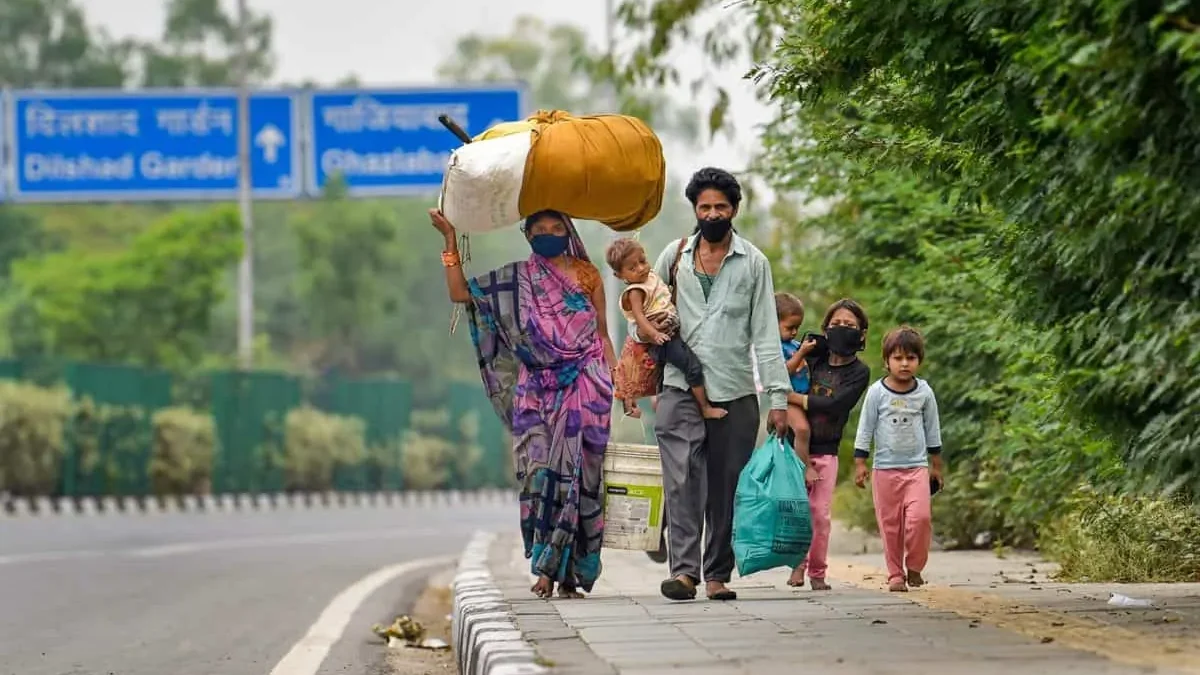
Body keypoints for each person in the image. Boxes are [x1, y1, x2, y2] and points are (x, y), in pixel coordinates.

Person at [429, 207, 616, 600]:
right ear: (527, 236)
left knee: (579, 477)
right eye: (540, 229)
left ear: (568, 232)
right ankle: (548, 561)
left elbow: (601, 334)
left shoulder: (588, 275)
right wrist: (449, 240)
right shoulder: (514, 281)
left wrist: (620, 380)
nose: (548, 234)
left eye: (556, 228)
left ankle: (561, 574)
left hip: (585, 386)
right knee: (539, 475)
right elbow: (460, 293)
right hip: (536, 392)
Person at [633, 167, 791, 602]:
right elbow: (641, 314)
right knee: (682, 480)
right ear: (695, 210)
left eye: (721, 206)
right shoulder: (674, 256)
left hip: (736, 390)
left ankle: (717, 573)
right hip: (678, 386)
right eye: (705, 207)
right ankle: (684, 573)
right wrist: (651, 341)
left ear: (734, 210)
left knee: (726, 487)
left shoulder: (754, 262)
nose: (713, 214)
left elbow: (766, 334)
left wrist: (778, 398)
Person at [787, 299, 871, 590]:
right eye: (836, 324)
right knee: (796, 511)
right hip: (794, 448)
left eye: (849, 325)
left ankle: (817, 572)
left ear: (862, 333)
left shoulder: (859, 372)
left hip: (826, 451)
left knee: (820, 514)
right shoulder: (813, 358)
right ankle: (797, 565)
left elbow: (836, 404)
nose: (842, 329)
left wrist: (793, 398)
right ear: (825, 329)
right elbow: (786, 372)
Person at [853, 325, 943, 592]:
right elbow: (865, 427)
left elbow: (933, 429)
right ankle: (895, 574)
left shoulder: (924, 392)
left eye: (911, 358)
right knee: (890, 526)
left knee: (920, 519)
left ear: (919, 361)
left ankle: (914, 566)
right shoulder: (877, 392)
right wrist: (860, 462)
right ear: (886, 361)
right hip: (884, 469)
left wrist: (936, 466)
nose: (904, 364)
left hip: (916, 468)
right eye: (898, 358)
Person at [606, 237, 727, 421]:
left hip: (669, 331)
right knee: (693, 367)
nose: (641, 268)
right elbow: (639, 318)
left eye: (642, 261)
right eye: (632, 268)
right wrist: (654, 334)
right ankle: (705, 408)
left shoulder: (651, 278)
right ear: (619, 275)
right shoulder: (635, 291)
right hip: (663, 340)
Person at [776, 292, 816, 481]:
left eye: (797, 328)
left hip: (802, 396)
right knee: (802, 429)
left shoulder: (793, 344)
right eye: (789, 327)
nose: (794, 332)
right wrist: (801, 354)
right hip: (787, 398)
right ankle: (804, 469)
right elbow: (783, 372)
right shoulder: (775, 347)